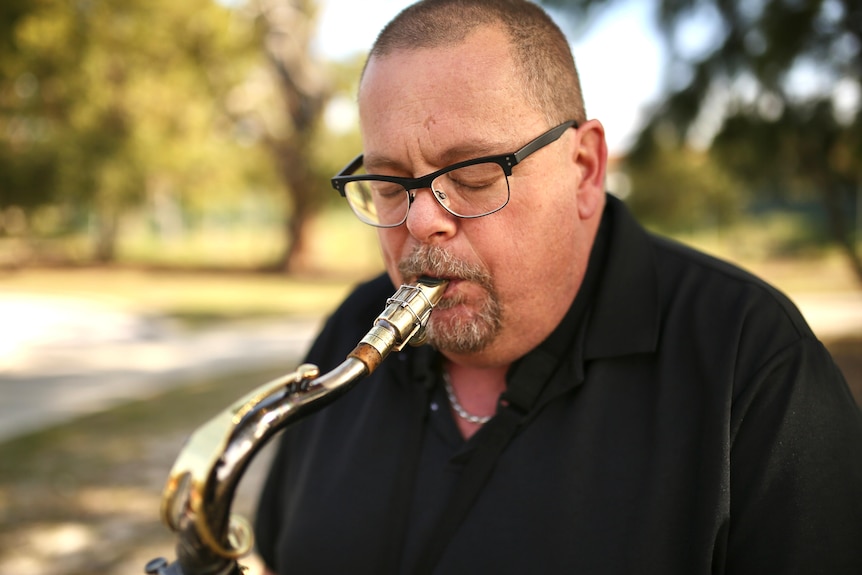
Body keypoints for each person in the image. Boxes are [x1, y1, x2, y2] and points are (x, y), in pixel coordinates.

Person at [254, 1, 862, 573]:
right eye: (389, 183)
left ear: (585, 168)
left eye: (472, 173)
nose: (419, 221)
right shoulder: (352, 326)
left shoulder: (751, 361)